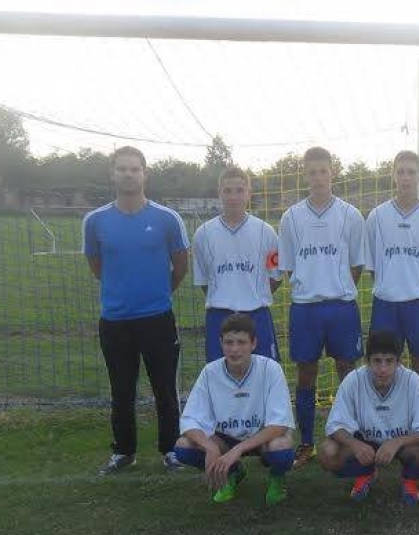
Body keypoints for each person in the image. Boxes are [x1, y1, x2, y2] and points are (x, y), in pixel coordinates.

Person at [82, 145, 189, 476]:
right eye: (122, 169)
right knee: (122, 390)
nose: (128, 174)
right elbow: (97, 267)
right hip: (115, 321)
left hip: (157, 319)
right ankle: (123, 451)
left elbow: (180, 266)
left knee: (165, 390)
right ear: (112, 174)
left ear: (145, 174)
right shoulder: (95, 221)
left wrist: (156, 294)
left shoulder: (167, 219)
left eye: (134, 169)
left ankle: (171, 449)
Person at [278, 147, 365, 468]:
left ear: (332, 172)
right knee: (306, 374)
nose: (318, 177)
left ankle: (356, 435)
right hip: (306, 308)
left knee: (348, 371)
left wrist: (337, 287)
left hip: (341, 306)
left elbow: (357, 264)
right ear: (305, 174)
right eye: (312, 172)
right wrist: (311, 285)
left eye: (323, 171)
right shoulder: (291, 217)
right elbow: (289, 266)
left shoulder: (350, 215)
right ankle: (306, 442)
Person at [170, 314, 296, 505]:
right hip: (225, 439)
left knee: (281, 447)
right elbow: (190, 421)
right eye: (229, 342)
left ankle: (277, 478)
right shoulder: (210, 372)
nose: (235, 349)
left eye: (241, 342)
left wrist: (238, 449)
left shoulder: (270, 369)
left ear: (253, 343)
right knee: (184, 446)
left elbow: (279, 425)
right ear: (221, 343)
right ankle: (232, 473)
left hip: (261, 437)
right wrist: (210, 447)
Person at [318, 331, 419, 505]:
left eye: (389, 361)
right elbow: (333, 426)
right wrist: (355, 444)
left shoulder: (411, 380)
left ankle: (409, 479)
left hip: (403, 445)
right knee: (328, 452)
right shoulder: (354, 380)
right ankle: (365, 473)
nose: (383, 369)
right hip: (365, 442)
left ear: (399, 362)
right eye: (377, 361)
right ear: (367, 361)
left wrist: (397, 442)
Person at [363, 150, 419, 393]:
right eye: (400, 172)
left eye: (411, 172)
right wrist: (392, 286)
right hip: (386, 304)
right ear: (393, 175)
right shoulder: (377, 216)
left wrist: (417, 286)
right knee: (383, 368)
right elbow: (373, 267)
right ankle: (385, 415)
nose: (405, 177)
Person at [192, 166, 282, 362]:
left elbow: (275, 276)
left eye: (240, 190)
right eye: (228, 191)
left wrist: (252, 297)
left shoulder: (266, 232)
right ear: (219, 193)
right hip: (218, 316)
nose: (233, 197)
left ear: (249, 193)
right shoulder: (203, 234)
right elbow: (204, 282)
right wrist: (226, 296)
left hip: (257, 315)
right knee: (219, 374)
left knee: (264, 373)